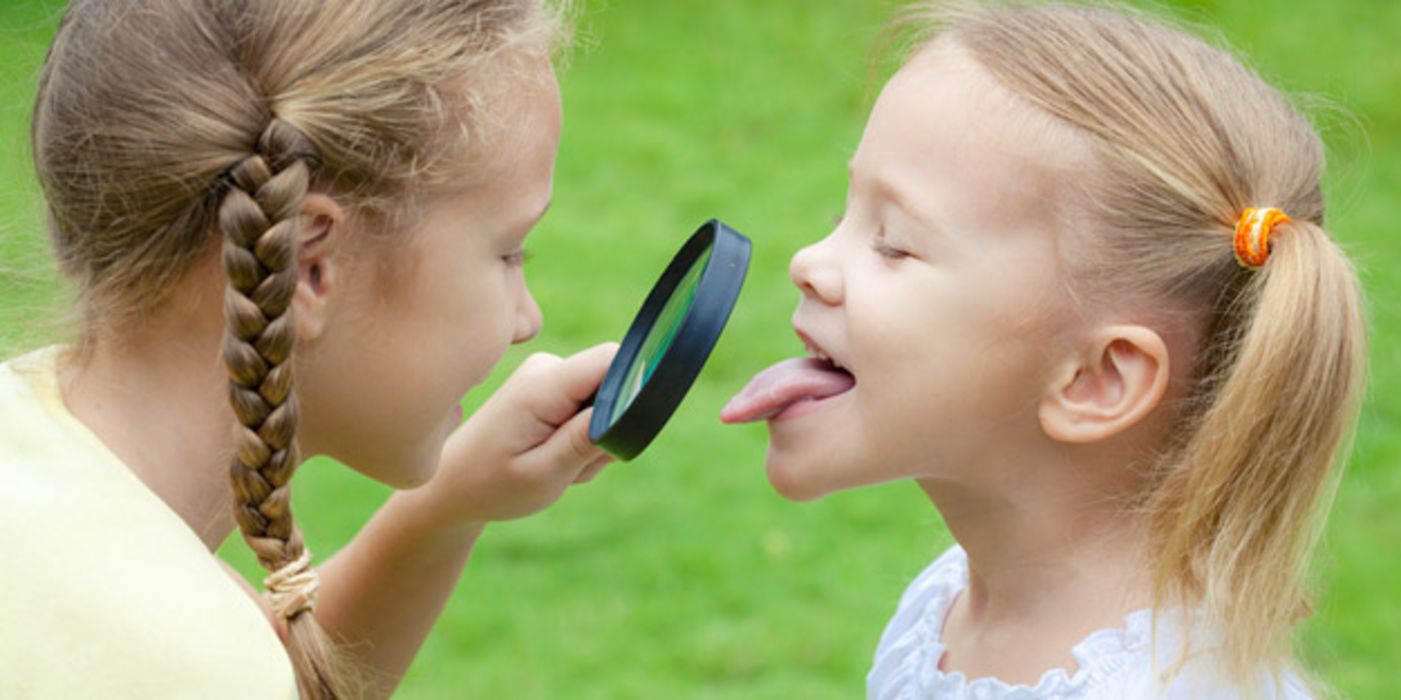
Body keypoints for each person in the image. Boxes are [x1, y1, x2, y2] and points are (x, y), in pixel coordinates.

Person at [721, 2, 1365, 698]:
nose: (809, 262)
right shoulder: (949, 608)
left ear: (1095, 379)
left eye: (893, 243)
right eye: (839, 215)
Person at [0, 1, 617, 698]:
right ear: (307, 269)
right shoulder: (183, 660)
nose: (526, 320)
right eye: (507, 251)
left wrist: (448, 509)